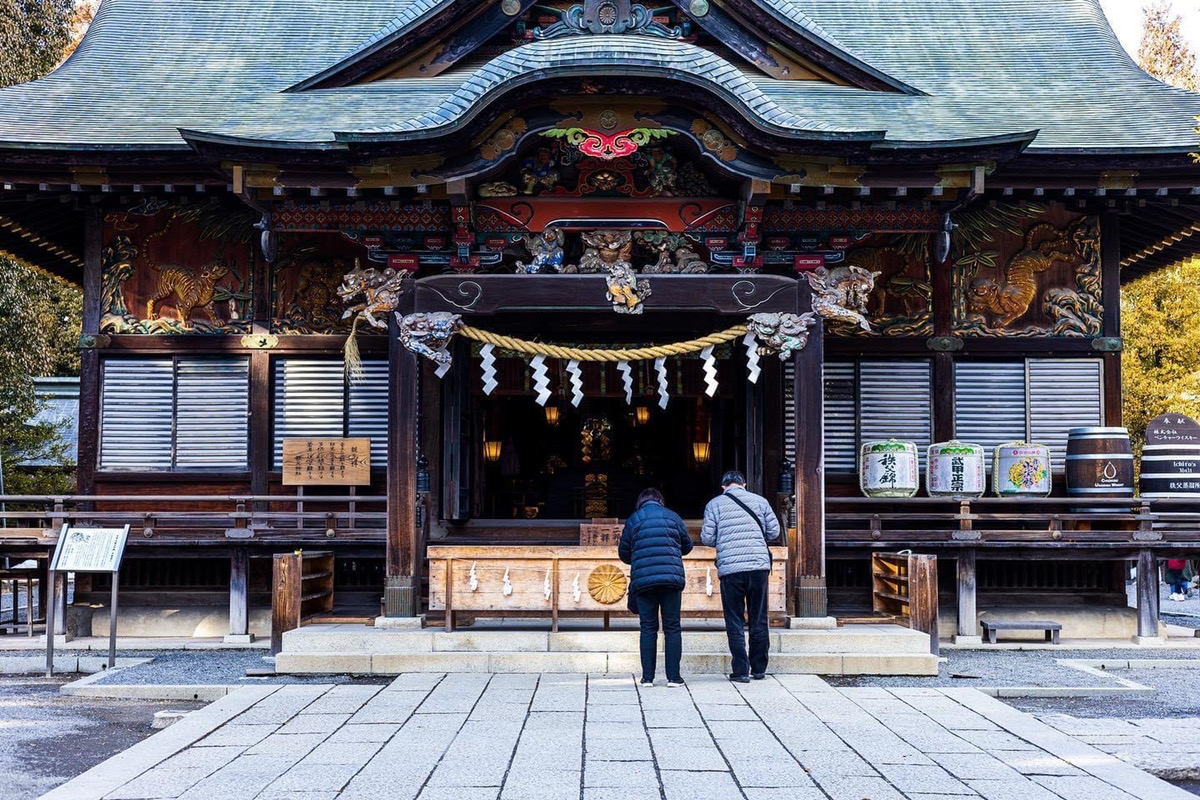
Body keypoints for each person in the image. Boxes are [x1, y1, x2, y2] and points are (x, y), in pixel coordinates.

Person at [701, 470, 781, 683]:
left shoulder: (714, 504)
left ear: (723, 486)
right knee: (758, 617)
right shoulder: (760, 501)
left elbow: (707, 538)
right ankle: (759, 668)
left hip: (731, 569)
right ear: (744, 484)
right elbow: (774, 532)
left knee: (735, 620)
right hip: (758, 566)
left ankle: (740, 670)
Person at [618, 488, 693, 687]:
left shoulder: (634, 520)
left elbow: (624, 553)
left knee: (648, 628)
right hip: (671, 579)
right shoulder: (673, 517)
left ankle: (647, 678)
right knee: (672, 627)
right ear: (660, 501)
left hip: (644, 581)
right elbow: (687, 546)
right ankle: (673, 677)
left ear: (640, 502)